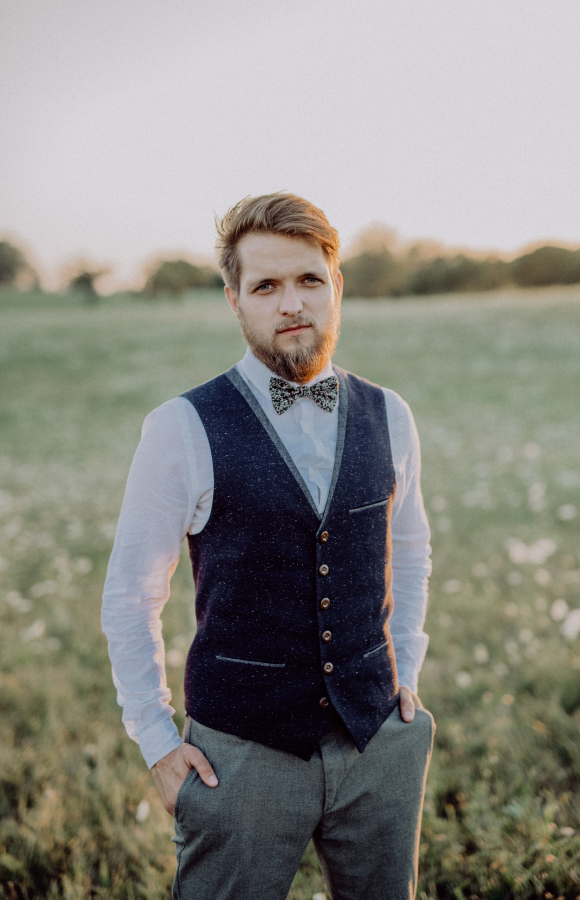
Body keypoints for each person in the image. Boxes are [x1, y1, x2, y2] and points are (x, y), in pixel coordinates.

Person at [102, 193, 434, 900]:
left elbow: (408, 550)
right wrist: (158, 743)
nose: (292, 303)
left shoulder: (391, 414)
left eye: (309, 280)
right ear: (234, 300)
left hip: (379, 740)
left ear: (336, 286)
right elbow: (132, 593)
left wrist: (405, 664)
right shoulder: (181, 427)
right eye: (266, 286)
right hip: (241, 759)